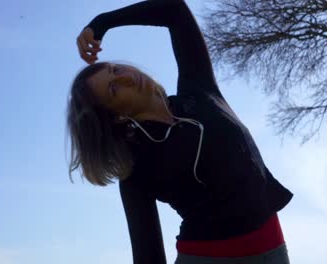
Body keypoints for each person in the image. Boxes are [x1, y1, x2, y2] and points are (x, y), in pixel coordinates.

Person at [68, 0, 293, 263]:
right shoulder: (134, 166)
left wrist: (101, 21)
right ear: (117, 116)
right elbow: (148, 254)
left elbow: (174, 10)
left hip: (274, 249)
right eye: (114, 89)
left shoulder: (198, 90)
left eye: (116, 69)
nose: (126, 77)